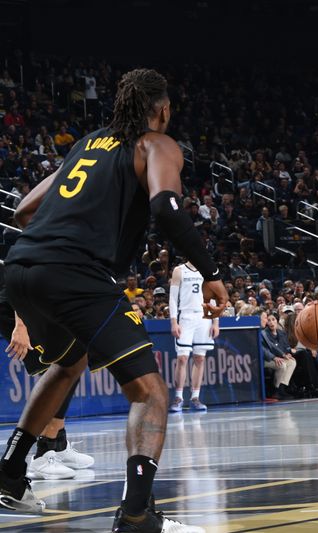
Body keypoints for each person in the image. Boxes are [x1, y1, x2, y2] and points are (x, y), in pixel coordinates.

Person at [0, 68, 227, 532]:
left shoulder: (88, 143)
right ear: (162, 111)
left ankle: (8, 475)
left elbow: (24, 211)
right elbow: (166, 207)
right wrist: (213, 272)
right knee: (150, 393)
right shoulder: (156, 145)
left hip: (20, 267)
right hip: (73, 273)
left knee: (68, 364)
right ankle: (137, 516)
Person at [0, 269, 94, 481]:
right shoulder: (24, 241)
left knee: (74, 360)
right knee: (57, 369)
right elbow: (17, 278)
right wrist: (21, 325)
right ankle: (44, 454)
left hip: (37, 302)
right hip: (15, 307)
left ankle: (58, 444)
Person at [169, 261, 219, 413]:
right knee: (182, 358)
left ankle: (195, 397)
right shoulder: (179, 270)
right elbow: (172, 298)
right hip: (186, 316)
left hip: (204, 317)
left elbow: (212, 297)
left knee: (200, 358)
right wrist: (173, 322)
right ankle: (178, 397)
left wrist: (216, 321)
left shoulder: (207, 270)